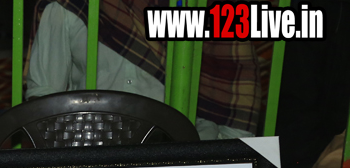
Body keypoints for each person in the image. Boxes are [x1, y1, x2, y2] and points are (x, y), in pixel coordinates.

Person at [26, 0, 263, 140]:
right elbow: (44, 100)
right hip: (92, 148)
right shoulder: (69, 5)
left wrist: (223, 167)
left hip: (186, 155)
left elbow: (235, 107)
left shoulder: (215, 9)